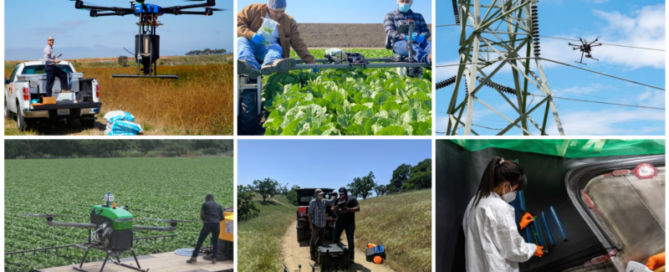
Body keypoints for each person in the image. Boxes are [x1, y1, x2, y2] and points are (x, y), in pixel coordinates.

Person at [463, 157, 543, 271]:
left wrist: (519, 226)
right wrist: (532, 249)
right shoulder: (499, 207)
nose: (514, 194)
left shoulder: (475, 201)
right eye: (515, 190)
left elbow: (488, 234)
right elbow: (514, 250)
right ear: (506, 185)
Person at [237, 0, 316, 79]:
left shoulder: (289, 21)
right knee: (241, 41)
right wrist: (251, 35)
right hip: (249, 43)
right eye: (276, 12)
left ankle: (271, 64)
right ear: (268, 7)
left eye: (282, 12)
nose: (279, 15)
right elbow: (237, 22)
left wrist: (311, 62)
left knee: (276, 47)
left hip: (267, 48)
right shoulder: (253, 9)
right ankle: (247, 64)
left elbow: (298, 43)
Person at [187, 194, 223, 264]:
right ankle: (214, 259)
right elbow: (223, 217)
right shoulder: (219, 206)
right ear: (213, 199)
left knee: (200, 240)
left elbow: (202, 215)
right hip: (216, 225)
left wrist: (205, 220)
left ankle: (194, 257)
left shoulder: (205, 204)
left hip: (208, 224)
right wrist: (216, 220)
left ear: (206, 199)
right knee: (215, 241)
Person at [331, 187, 360, 263]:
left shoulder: (351, 199)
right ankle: (334, 256)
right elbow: (333, 211)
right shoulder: (337, 200)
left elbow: (358, 208)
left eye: (343, 194)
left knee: (350, 241)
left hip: (349, 223)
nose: (341, 196)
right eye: (340, 194)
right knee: (335, 240)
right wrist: (336, 207)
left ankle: (351, 259)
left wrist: (348, 209)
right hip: (339, 222)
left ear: (346, 194)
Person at [307, 189, 327, 261]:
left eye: (322, 194)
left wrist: (335, 197)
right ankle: (312, 254)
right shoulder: (312, 202)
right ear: (316, 195)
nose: (322, 195)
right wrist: (311, 224)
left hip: (323, 225)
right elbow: (309, 214)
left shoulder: (324, 201)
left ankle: (318, 253)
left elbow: (331, 201)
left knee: (321, 240)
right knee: (313, 240)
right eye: (320, 194)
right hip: (315, 225)